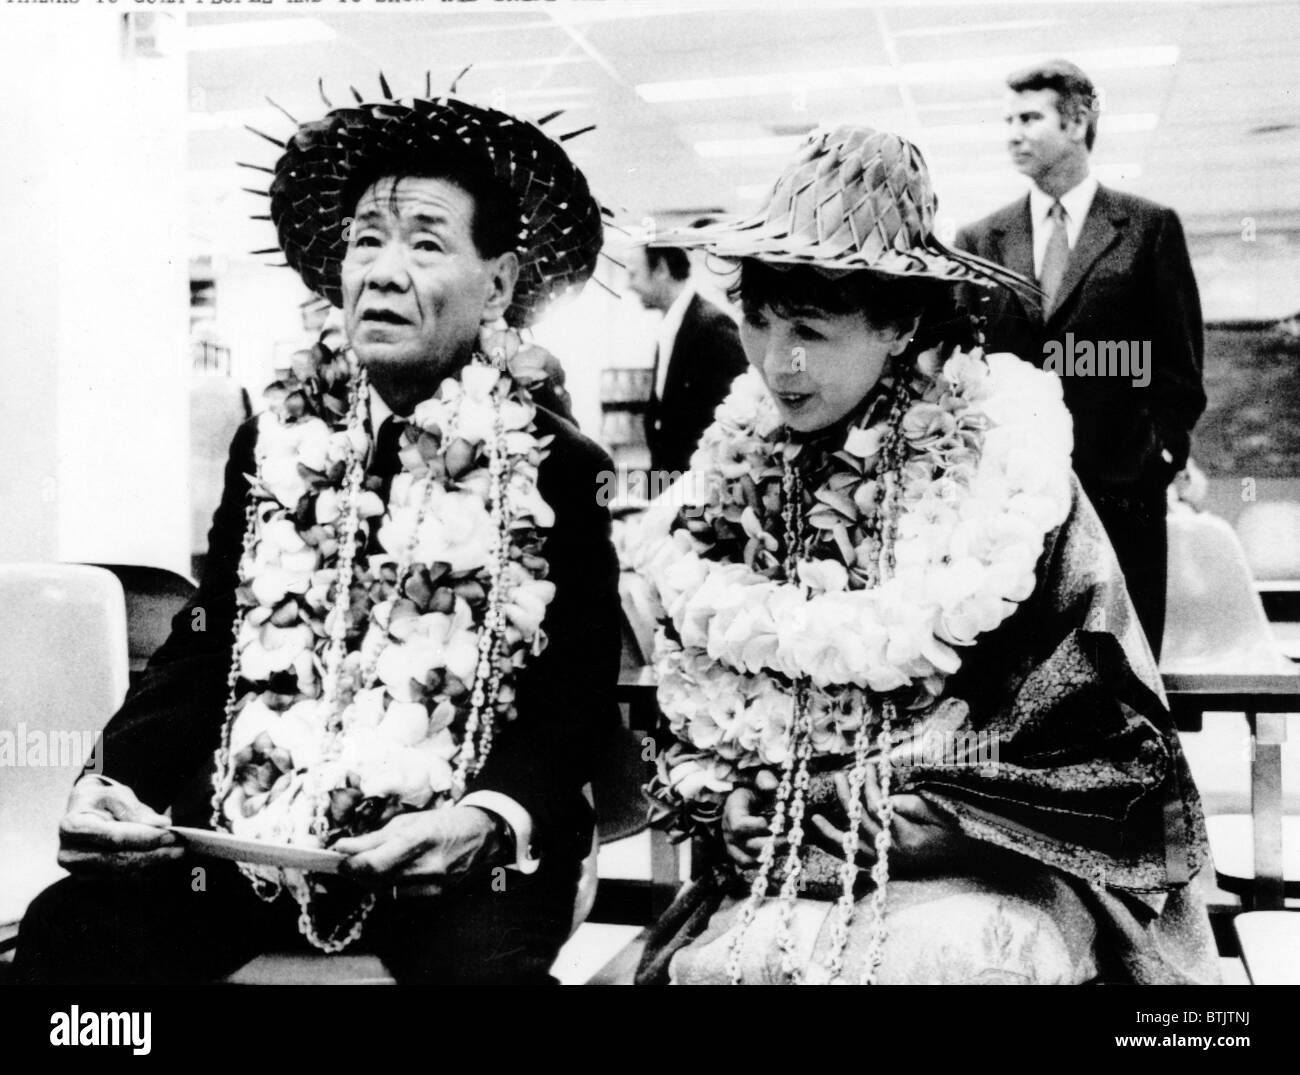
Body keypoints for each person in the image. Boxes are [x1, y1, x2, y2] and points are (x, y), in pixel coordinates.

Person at [15, 84, 621, 984]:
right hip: (256, 835)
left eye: (423, 243)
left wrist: (485, 815)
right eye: (365, 242)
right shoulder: (275, 439)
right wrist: (112, 783)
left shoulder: (555, 464)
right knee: (72, 936)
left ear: (497, 283)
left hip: (454, 856)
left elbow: (572, 704)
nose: (381, 271)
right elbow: (205, 643)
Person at [631, 125, 1217, 985]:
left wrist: (948, 808)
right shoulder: (735, 469)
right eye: (758, 321)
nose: (777, 362)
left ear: (902, 323)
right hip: (790, 858)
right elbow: (700, 691)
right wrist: (728, 800)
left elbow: (1110, 738)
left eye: (811, 328)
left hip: (994, 858)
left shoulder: (1012, 469)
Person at [954, 59, 1206, 660]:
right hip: (1009, 505)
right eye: (1007, 119)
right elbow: (963, 366)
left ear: (1077, 121)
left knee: (1121, 666)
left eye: (1029, 117)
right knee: (1015, 671)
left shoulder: (1148, 229)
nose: (1012, 133)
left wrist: (1158, 458)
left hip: (1121, 490)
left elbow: (1179, 367)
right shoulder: (979, 239)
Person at [625, 242, 748, 476]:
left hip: (699, 491)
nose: (629, 285)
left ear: (661, 269)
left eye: (633, 274)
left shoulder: (712, 326)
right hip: (670, 486)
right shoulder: (672, 327)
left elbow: (734, 419)